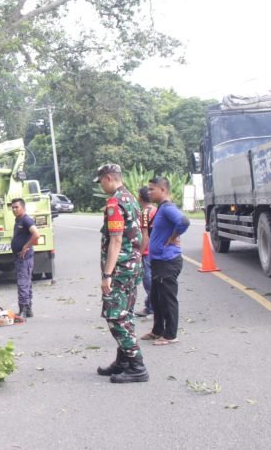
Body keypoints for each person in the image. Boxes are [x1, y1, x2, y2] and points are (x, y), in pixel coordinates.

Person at [94, 163, 149, 383]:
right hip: (132, 266)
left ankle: (137, 366)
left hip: (120, 270)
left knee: (115, 317)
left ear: (108, 178)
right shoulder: (131, 198)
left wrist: (107, 275)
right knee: (126, 314)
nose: (101, 186)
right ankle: (123, 361)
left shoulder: (115, 203)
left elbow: (116, 240)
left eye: (101, 181)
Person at [142, 176, 190, 346]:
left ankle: (170, 335)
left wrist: (174, 237)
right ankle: (157, 330)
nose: (148, 192)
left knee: (167, 299)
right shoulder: (161, 208)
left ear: (162, 190)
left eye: (152, 189)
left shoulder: (168, 208)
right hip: (158, 261)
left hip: (167, 261)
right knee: (156, 298)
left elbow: (184, 221)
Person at [10, 198, 40, 318]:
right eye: (12, 207)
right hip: (19, 257)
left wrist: (26, 246)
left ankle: (22, 310)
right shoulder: (18, 220)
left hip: (24, 257)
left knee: (22, 283)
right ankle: (28, 309)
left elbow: (36, 235)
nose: (14, 209)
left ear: (23, 207)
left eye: (16, 207)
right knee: (26, 283)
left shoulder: (26, 220)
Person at [135, 186, 157, 317]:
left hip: (147, 252)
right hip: (155, 250)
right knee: (152, 280)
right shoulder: (154, 209)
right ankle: (150, 306)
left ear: (140, 197)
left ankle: (152, 307)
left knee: (148, 281)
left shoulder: (145, 213)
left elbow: (145, 235)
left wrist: (139, 253)